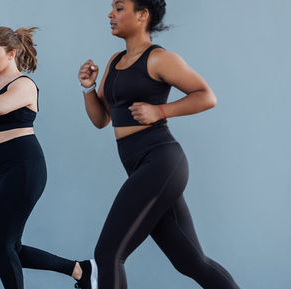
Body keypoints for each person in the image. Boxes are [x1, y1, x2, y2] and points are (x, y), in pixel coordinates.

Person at [77, 1, 241, 288]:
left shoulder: (159, 59)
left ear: (142, 15)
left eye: (118, 8)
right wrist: (88, 88)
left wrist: (161, 111)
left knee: (108, 254)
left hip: (161, 160)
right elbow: (101, 120)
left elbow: (206, 96)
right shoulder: (115, 61)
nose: (110, 14)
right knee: (191, 261)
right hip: (140, 165)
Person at [0, 26, 97, 289]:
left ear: (11, 53)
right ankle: (80, 270)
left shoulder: (24, 85)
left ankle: (82, 271)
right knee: (7, 245)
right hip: (1, 172)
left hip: (24, 168)